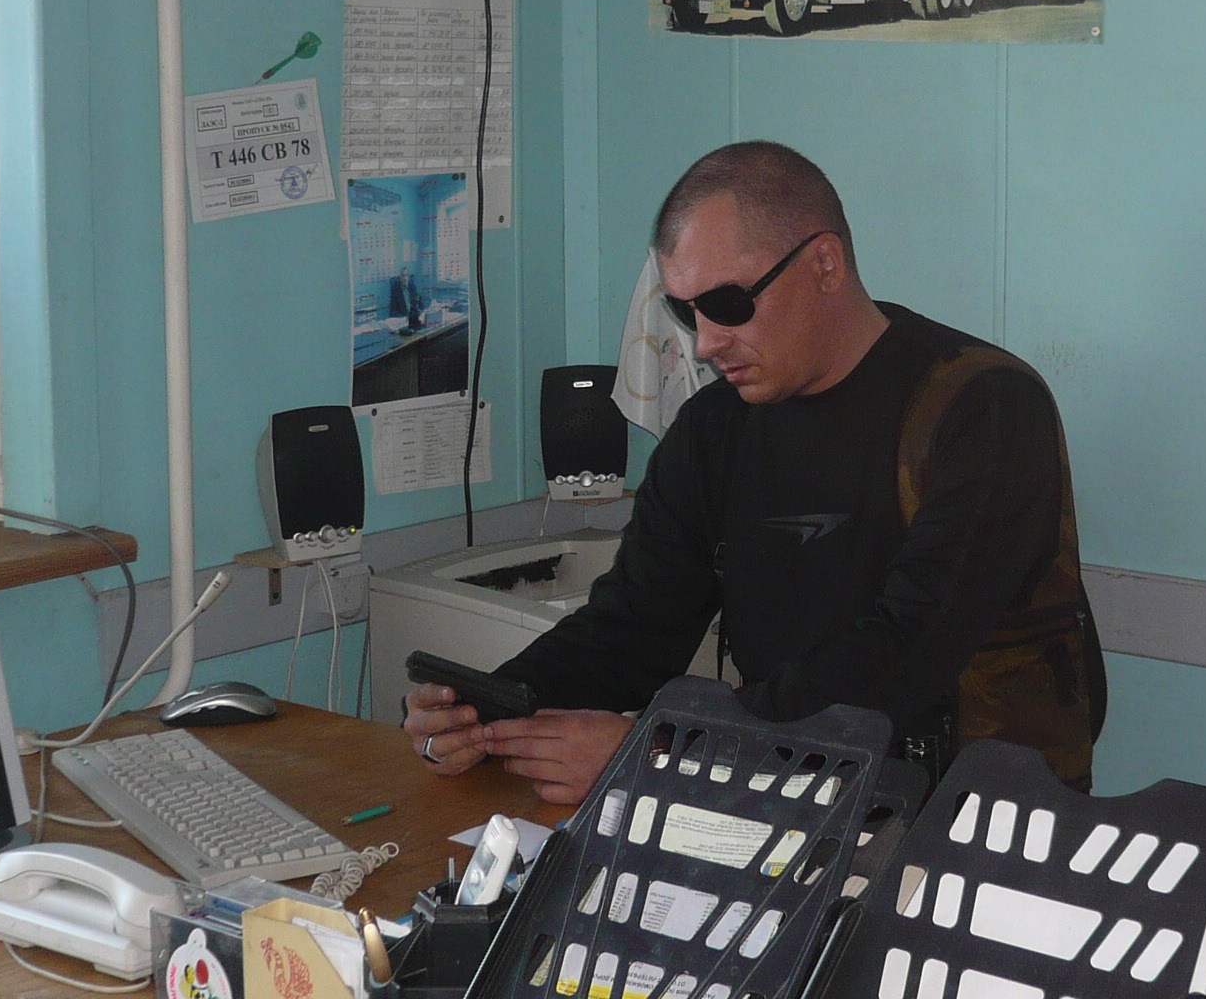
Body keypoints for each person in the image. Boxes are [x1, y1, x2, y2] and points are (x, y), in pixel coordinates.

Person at [404, 141, 1103, 803]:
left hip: (969, 820)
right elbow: (634, 625)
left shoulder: (983, 408)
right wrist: (489, 709)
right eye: (685, 311)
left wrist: (662, 749)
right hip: (787, 794)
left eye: (728, 305)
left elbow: (905, 655)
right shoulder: (716, 428)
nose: (706, 343)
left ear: (824, 265)